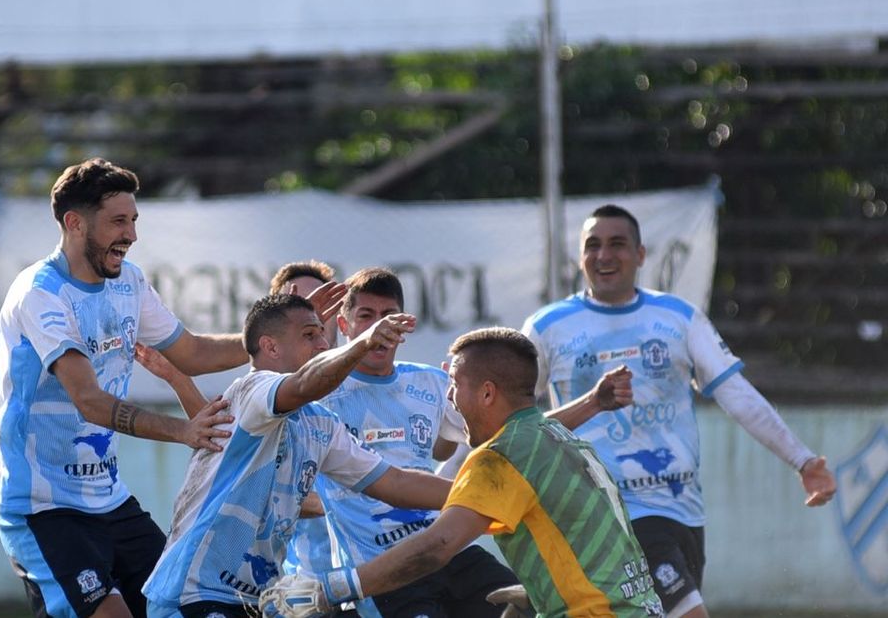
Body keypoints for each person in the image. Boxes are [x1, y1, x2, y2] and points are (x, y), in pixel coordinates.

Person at [520, 204, 837, 618]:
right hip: (605, 511)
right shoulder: (547, 327)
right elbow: (513, 419)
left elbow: (737, 395)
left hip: (681, 509)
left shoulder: (677, 318)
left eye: (617, 244)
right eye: (592, 246)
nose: (603, 256)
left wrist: (803, 460)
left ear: (641, 254)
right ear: (580, 258)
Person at [0, 158, 249, 618]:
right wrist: (182, 431)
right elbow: (88, 400)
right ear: (74, 223)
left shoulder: (128, 282)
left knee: (180, 603)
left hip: (108, 499)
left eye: (133, 221)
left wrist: (270, 340)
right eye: (117, 221)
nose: (131, 235)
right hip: (42, 506)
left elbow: (191, 352)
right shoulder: (40, 292)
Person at [259, 327, 665, 618]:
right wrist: (542, 591)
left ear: (487, 392)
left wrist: (332, 588)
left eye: (454, 384)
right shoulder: (557, 436)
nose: (448, 397)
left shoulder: (501, 456)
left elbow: (436, 546)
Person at [312, 267, 634, 618]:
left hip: (448, 548)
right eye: (366, 317)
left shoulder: (430, 383)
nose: (379, 328)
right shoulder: (319, 394)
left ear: (404, 325)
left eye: (388, 317)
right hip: (384, 567)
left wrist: (593, 403)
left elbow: (518, 435)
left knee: (522, 604)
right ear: (344, 327)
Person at [142, 294, 455, 618]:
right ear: (271, 347)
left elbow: (394, 482)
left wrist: (476, 496)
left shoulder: (320, 422)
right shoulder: (253, 391)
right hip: (194, 593)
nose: (323, 343)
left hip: (258, 602)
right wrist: (361, 344)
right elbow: (306, 383)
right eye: (309, 335)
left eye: (322, 333)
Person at [268, 260, 341, 578]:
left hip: (377, 573)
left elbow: (439, 451)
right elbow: (267, 490)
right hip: (302, 584)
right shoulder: (266, 398)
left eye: (321, 304)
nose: (314, 316)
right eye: (296, 307)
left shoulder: (373, 385)